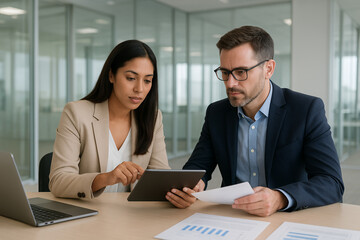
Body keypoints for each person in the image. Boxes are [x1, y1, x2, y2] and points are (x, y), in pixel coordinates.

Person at [173, 26, 344, 216]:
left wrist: (279, 198)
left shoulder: (305, 109)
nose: (230, 83)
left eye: (241, 72)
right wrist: (192, 185)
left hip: (286, 217)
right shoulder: (217, 113)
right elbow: (197, 167)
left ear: (268, 69)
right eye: (225, 72)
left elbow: (331, 183)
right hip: (232, 216)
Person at [49, 40, 171, 199]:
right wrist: (106, 178)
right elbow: (58, 181)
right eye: (131, 78)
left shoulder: (153, 118)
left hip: (132, 216)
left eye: (147, 80)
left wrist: (177, 193)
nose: (139, 89)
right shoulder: (76, 113)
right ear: (111, 75)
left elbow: (161, 177)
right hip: (87, 214)